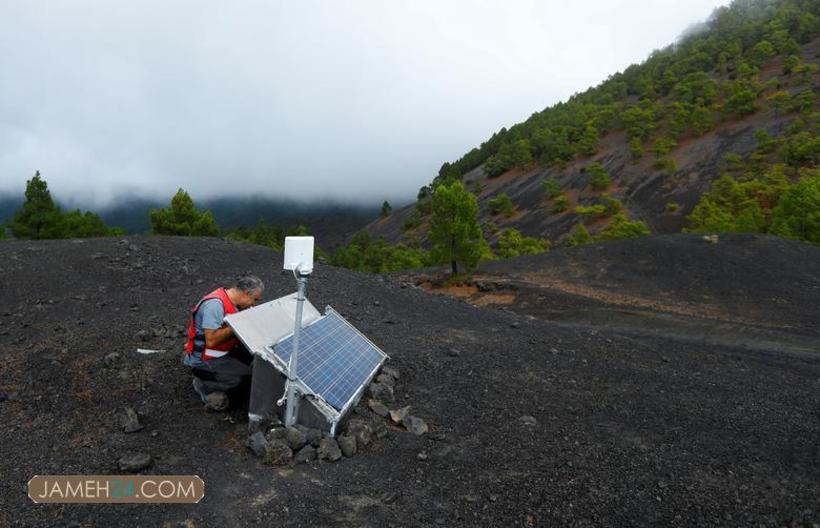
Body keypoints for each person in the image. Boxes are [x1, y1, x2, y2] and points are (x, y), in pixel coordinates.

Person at [183, 275, 264, 409]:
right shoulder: (214, 305)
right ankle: (204, 386)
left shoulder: (232, 302)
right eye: (254, 300)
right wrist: (237, 323)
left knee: (252, 358)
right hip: (204, 359)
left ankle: (219, 375)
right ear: (246, 294)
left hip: (222, 352)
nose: (253, 304)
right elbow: (211, 341)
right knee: (243, 381)